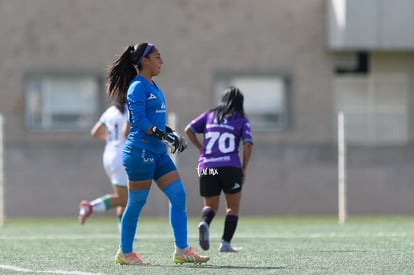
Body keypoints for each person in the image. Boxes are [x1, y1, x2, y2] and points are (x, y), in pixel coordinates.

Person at [106, 42, 209, 265]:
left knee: (178, 195)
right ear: (145, 61)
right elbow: (139, 121)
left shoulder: (154, 86)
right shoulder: (137, 86)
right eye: (158, 57)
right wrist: (162, 135)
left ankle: (182, 250)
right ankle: (125, 252)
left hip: (158, 153)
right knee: (136, 203)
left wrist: (169, 133)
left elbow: (156, 121)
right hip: (139, 152)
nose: (161, 61)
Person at [185, 86, 253, 253]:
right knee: (232, 207)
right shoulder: (241, 119)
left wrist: (201, 148)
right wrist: (243, 168)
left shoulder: (210, 115)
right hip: (230, 167)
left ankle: (205, 223)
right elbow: (248, 144)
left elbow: (189, 129)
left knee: (211, 206)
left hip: (207, 166)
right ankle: (225, 243)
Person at [78, 100, 130, 232]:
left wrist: (110, 139)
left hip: (109, 154)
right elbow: (126, 133)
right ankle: (90, 207)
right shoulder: (129, 109)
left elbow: (95, 132)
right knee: (124, 199)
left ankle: (123, 232)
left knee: (123, 195)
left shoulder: (110, 111)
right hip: (121, 155)